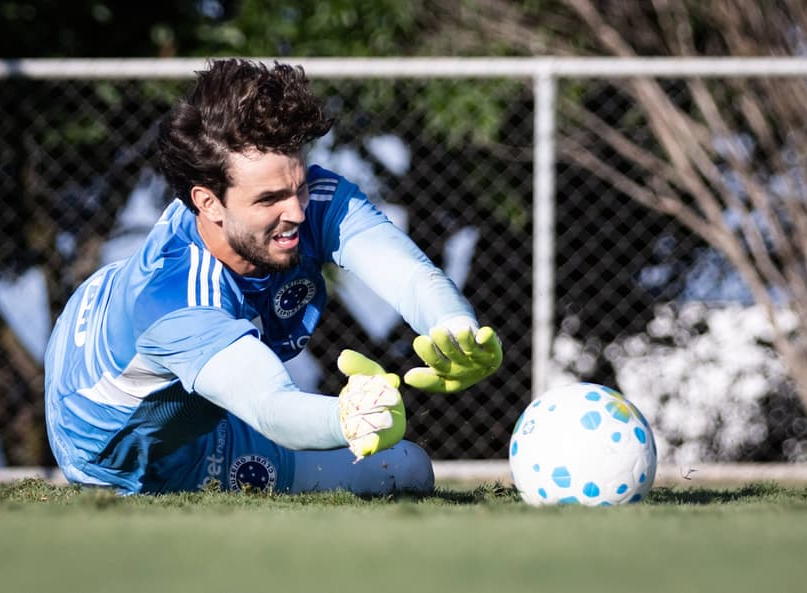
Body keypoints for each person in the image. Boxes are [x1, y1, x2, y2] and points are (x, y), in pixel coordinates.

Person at [43, 58, 502, 496]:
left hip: (140, 341)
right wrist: (350, 417)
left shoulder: (312, 200)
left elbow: (410, 276)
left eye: (297, 187)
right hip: (111, 450)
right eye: (269, 200)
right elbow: (271, 407)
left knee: (409, 466)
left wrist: (456, 327)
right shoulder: (177, 298)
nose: (297, 212)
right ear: (208, 203)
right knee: (401, 468)